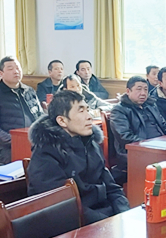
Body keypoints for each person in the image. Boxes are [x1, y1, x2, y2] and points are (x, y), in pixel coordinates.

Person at [28, 90, 130, 224]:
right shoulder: (46, 153)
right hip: (73, 223)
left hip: (104, 216)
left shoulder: (91, 144)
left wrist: (124, 215)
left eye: (88, 110)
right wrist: (106, 223)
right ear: (62, 120)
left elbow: (112, 188)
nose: (89, 117)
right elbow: (60, 206)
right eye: (81, 111)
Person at [109, 76, 166, 182]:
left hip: (161, 147)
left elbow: (165, 125)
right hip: (137, 152)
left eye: (146, 89)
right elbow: (125, 136)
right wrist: (151, 145)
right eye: (139, 89)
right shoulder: (119, 110)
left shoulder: (151, 105)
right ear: (128, 91)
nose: (143, 93)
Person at [0, 56, 42, 165]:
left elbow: (40, 117)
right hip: (9, 147)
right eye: (10, 68)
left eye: (18, 68)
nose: (16, 71)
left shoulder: (29, 90)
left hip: (35, 143)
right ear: (1, 73)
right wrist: (16, 141)